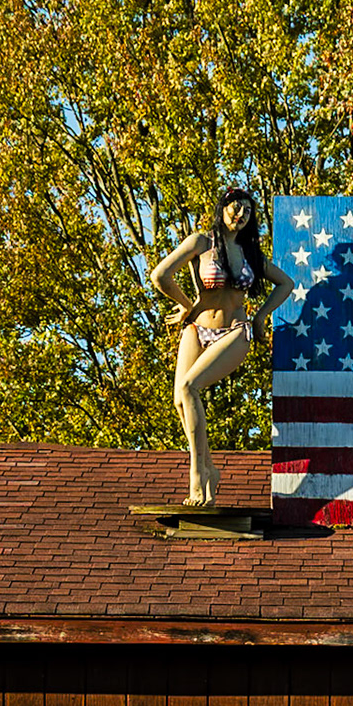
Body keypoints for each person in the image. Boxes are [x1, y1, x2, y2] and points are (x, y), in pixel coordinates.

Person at [150, 187, 294, 506]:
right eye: (235, 207)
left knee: (189, 388)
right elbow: (160, 275)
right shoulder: (201, 243)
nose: (240, 214)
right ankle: (210, 467)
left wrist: (260, 319)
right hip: (196, 328)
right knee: (180, 400)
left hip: (234, 330)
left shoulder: (251, 255)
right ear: (223, 208)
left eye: (246, 210)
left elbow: (286, 284)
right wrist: (186, 305)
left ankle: (197, 475)